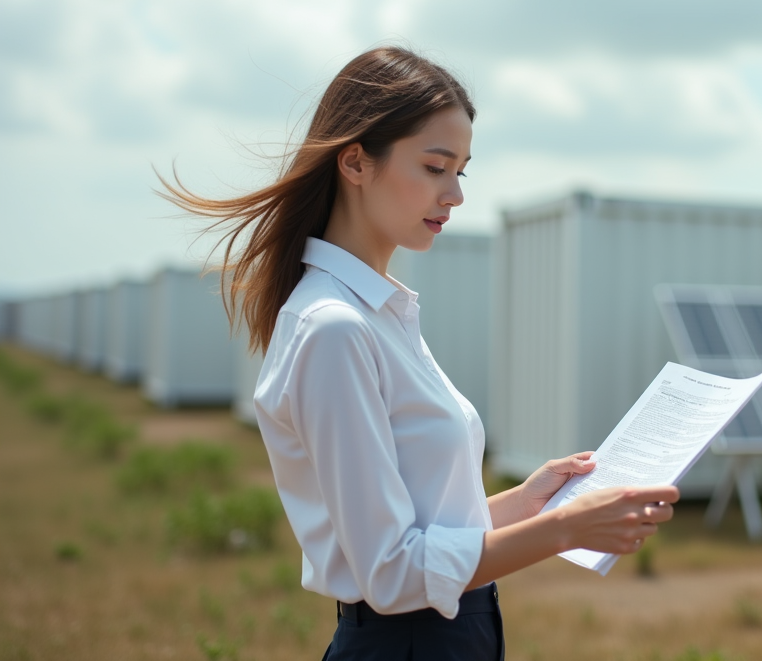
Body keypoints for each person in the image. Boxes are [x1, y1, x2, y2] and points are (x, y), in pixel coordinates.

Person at [162, 46, 678, 661]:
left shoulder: (380, 315)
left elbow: (421, 528)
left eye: (462, 170)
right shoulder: (335, 330)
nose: (455, 194)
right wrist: (566, 528)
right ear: (355, 162)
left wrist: (529, 501)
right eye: (436, 167)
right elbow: (393, 573)